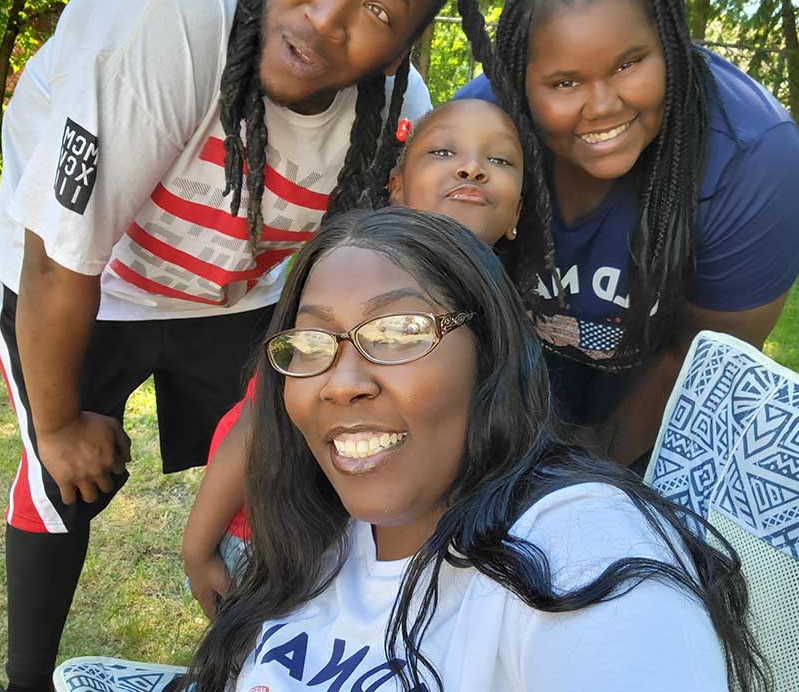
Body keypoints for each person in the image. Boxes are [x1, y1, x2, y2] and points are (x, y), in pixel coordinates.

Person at [0, 0, 493, 687]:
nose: (324, 17)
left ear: (404, 46)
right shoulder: (171, 17)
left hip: (239, 287)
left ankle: (263, 658)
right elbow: (57, 257)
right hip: (88, 269)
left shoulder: (399, 112)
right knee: (66, 480)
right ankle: (26, 679)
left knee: (284, 468)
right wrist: (54, 429)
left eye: (378, 10)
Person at [177, 207, 768, 692]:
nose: (340, 382)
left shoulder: (580, 549)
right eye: (311, 342)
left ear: (488, 353)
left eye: (399, 332)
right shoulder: (310, 527)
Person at [456, 0, 799, 470]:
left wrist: (583, 474)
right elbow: (440, 301)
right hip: (513, 374)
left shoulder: (754, 158)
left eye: (628, 64)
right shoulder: (479, 131)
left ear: (670, 44)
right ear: (520, 82)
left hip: (657, 393)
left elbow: (699, 363)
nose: (603, 106)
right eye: (565, 82)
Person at [182, 98, 524, 617]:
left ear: (517, 212)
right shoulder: (348, 278)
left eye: (498, 159)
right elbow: (254, 427)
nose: (472, 167)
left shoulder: (501, 314)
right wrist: (198, 548)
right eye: (443, 151)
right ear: (396, 187)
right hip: (270, 536)